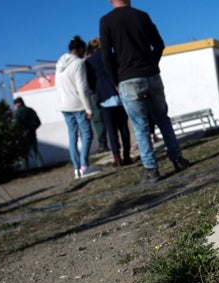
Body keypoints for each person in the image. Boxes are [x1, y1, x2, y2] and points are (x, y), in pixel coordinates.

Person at [100, 0, 190, 184]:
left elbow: (106, 56)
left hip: (128, 78)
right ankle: (178, 159)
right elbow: (159, 44)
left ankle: (151, 170)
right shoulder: (142, 16)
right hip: (151, 74)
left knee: (140, 126)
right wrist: (152, 65)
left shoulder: (106, 21)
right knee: (163, 119)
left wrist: (115, 80)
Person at [56, 35, 100, 180]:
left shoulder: (60, 63)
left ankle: (76, 169)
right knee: (87, 135)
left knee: (72, 137)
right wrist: (88, 108)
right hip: (78, 105)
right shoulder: (78, 64)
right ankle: (84, 166)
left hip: (64, 105)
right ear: (81, 49)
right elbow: (82, 87)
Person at [86, 37, 133, 167]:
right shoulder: (113, 55)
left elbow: (90, 81)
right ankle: (127, 155)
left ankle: (117, 158)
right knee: (123, 127)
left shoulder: (90, 62)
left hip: (103, 96)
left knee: (111, 130)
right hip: (119, 93)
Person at [13, 97, 43, 169]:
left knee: (24, 155)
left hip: (22, 136)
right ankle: (42, 167)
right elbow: (38, 122)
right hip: (32, 134)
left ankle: (25, 170)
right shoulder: (31, 110)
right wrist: (32, 129)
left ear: (18, 103)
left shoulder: (17, 112)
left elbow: (16, 124)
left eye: (15, 104)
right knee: (35, 153)